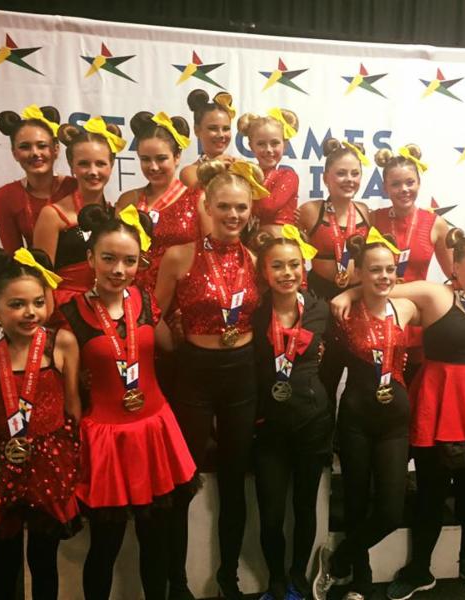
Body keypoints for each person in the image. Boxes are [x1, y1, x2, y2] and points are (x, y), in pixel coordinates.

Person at [330, 228, 465, 597]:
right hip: (441, 403)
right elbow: (382, 289)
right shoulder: (436, 294)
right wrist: (349, 292)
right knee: (431, 490)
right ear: (456, 265)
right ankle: (419, 568)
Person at [59, 204, 196, 600]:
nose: (119, 270)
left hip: (155, 431)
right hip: (108, 440)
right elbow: (57, 377)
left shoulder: (145, 299)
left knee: (156, 542)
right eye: (109, 258)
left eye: (129, 261)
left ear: (140, 263)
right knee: (105, 545)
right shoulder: (70, 313)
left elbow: (168, 345)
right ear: (90, 258)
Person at [155, 159, 266, 600]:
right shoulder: (179, 256)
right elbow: (151, 313)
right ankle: (177, 581)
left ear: (251, 210)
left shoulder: (254, 259)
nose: (233, 215)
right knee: (183, 482)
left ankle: (228, 578)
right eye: (224, 206)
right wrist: (173, 347)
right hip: (195, 375)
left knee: (235, 481)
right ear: (207, 205)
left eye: (241, 207)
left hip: (241, 375)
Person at [0, 246, 82, 600]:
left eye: (38, 302)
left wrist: (75, 464)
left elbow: (73, 408)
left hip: (49, 463)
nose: (30, 312)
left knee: (44, 558)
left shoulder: (62, 343)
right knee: (3, 560)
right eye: (17, 304)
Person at [313, 229, 417, 600]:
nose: (384, 276)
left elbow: (438, 292)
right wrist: (325, 425)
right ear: (359, 272)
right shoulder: (342, 314)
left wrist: (353, 290)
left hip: (395, 422)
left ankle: (338, 558)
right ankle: (362, 579)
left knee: (390, 512)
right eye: (375, 270)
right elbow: (329, 376)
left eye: (390, 269)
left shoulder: (406, 308)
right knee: (356, 503)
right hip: (356, 419)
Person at [251, 226, 333, 600]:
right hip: (269, 427)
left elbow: (333, 363)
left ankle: (298, 575)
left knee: (304, 507)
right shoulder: (253, 314)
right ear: (264, 272)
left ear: (304, 267)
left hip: (312, 424)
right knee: (270, 514)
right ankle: (275, 578)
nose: (287, 273)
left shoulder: (320, 309)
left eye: (294, 265)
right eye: (278, 266)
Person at [371, 145, 452, 383]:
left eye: (410, 182)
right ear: (385, 187)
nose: (404, 189)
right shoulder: (373, 218)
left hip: (417, 319)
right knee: (375, 386)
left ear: (419, 183)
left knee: (413, 387)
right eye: (396, 184)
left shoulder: (435, 223)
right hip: (377, 314)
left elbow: (454, 274)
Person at [33, 118, 125, 307]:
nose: (93, 171)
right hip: (67, 309)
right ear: (71, 165)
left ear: (111, 165)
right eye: (84, 164)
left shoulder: (118, 214)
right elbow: (41, 280)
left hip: (111, 307)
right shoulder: (52, 215)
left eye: (100, 164)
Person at [116, 110, 196, 294]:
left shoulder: (198, 200)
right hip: (133, 297)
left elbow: (207, 259)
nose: (153, 167)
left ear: (177, 156)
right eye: (145, 159)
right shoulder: (128, 200)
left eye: (161, 159)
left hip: (180, 300)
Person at [0, 105, 76, 253]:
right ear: (14, 153)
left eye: (42, 146)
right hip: (35, 268)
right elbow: (13, 255)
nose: (35, 153)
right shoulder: (6, 196)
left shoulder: (75, 187)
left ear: (56, 149)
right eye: (25, 147)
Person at [298, 138, 371, 301]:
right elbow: (289, 253)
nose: (349, 179)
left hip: (358, 296)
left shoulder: (365, 211)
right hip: (319, 296)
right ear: (325, 178)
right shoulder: (309, 211)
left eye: (355, 174)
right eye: (341, 173)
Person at [180, 89, 237, 237]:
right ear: (197, 130)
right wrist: (215, 165)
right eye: (213, 128)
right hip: (202, 244)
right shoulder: (190, 172)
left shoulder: (239, 167)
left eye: (226, 128)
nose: (221, 135)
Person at [237, 108, 300, 236]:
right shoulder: (246, 174)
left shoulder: (288, 176)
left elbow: (268, 207)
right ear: (251, 146)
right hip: (252, 239)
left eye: (275, 143)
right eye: (261, 144)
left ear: (285, 145)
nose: (268, 150)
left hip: (281, 241)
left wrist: (246, 200)